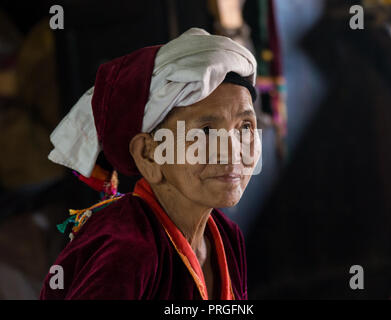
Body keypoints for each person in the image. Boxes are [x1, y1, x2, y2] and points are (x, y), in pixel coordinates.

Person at [40, 28, 261, 300]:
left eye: (245, 127)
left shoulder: (227, 236)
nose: (232, 150)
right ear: (147, 154)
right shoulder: (126, 250)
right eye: (205, 131)